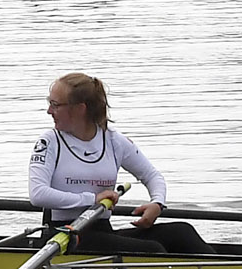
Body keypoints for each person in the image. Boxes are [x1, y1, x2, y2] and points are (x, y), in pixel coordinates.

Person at [30, 72, 206, 255]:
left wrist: (157, 203)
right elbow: (38, 194)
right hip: (62, 236)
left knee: (182, 233)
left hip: (101, 232)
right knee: (151, 250)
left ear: (79, 109)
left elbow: (152, 176)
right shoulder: (49, 142)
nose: (49, 111)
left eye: (55, 105)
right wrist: (92, 199)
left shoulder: (114, 141)